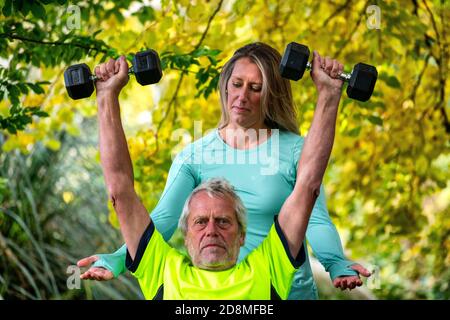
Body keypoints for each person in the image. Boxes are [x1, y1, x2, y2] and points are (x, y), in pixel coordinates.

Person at [78, 43, 371, 299]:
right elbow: (161, 219)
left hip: (279, 286)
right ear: (224, 85)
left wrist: (335, 262)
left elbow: (314, 216)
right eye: (236, 84)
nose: (242, 96)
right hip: (207, 291)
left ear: (271, 95)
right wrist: (119, 257)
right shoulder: (195, 155)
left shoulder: (296, 150)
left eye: (256, 88)